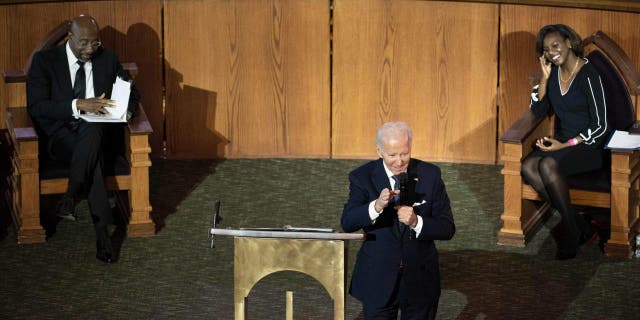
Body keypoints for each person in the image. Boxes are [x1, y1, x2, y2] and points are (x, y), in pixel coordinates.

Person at [27, 14, 139, 263]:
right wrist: (78, 105)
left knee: (93, 130)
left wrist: (126, 111)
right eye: (84, 43)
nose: (90, 49)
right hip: (61, 136)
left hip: (100, 132)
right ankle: (102, 235)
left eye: (95, 43)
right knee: (94, 159)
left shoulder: (107, 58)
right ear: (70, 38)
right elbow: (37, 107)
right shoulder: (45, 61)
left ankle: (70, 196)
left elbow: (132, 92)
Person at [341, 121, 455, 319]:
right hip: (377, 276)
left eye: (404, 153)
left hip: (420, 278)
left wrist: (416, 222)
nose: (399, 161)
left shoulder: (430, 175)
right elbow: (348, 222)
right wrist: (376, 206)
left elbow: (447, 228)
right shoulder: (362, 177)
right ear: (379, 151)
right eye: (392, 155)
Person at [522, 24, 609, 260]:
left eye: (555, 45)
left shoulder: (588, 74)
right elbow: (538, 108)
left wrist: (566, 144)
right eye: (546, 49)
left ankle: (571, 231)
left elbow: (601, 125)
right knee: (528, 167)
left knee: (546, 165)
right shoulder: (553, 74)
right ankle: (580, 224)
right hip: (563, 144)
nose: (551, 52)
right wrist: (544, 77)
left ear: (569, 42)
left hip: (590, 147)